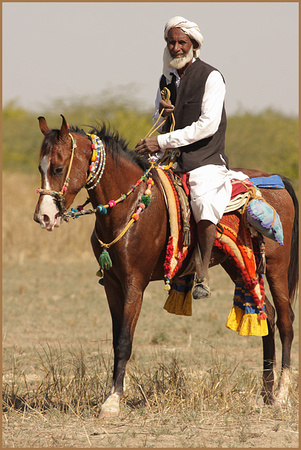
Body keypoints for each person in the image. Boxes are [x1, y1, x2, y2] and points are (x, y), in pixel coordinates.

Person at [135, 16, 248, 299]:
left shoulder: (211, 77)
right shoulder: (165, 80)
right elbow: (158, 123)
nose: (175, 47)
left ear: (194, 45)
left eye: (181, 42)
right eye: (171, 42)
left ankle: (202, 272)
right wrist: (162, 115)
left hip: (204, 160)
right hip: (170, 160)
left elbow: (207, 125)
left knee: (201, 198)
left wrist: (160, 141)